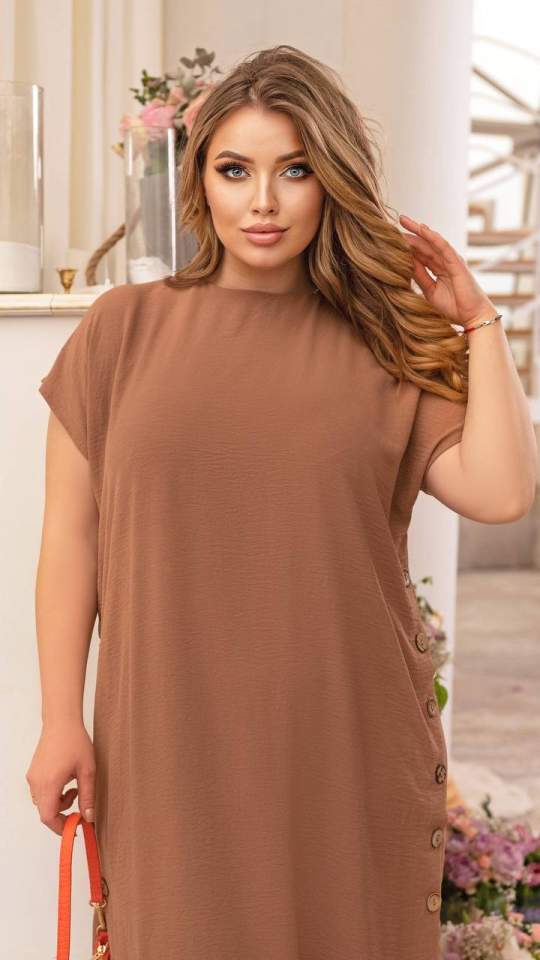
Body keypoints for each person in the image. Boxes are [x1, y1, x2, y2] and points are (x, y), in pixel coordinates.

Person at [27, 44, 536, 960]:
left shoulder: (384, 342)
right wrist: (62, 717)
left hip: (341, 737)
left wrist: (477, 321)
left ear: (331, 181)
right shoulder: (121, 330)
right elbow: (70, 541)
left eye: (294, 170)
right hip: (168, 740)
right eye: (236, 170)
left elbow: (502, 491)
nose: (262, 201)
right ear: (201, 180)